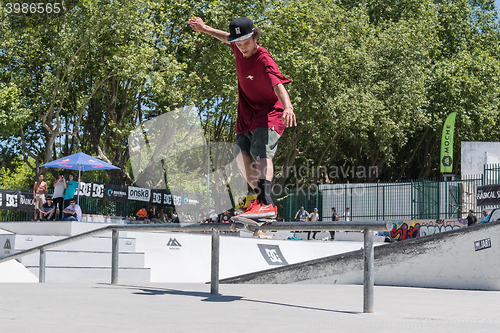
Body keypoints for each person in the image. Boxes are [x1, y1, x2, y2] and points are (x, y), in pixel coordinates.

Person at [189, 16, 297, 219]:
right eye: (238, 44)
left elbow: (278, 86)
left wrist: (288, 107)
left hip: (269, 113)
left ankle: (264, 202)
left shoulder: (264, 60)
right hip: (246, 113)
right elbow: (223, 36)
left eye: (246, 43)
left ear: (255, 37)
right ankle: (264, 202)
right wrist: (204, 29)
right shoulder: (237, 46)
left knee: (261, 151)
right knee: (240, 154)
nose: (243, 48)